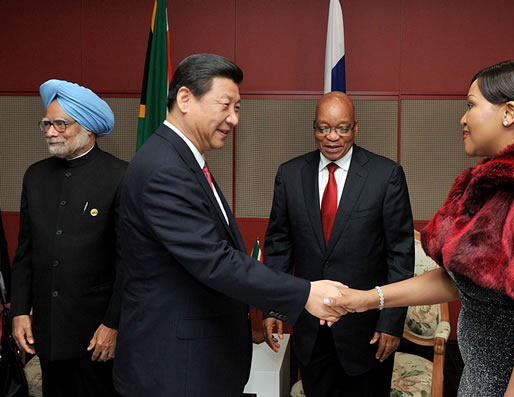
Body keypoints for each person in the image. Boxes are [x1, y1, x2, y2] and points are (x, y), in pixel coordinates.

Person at [327, 60, 514, 396]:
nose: (463, 118)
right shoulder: (494, 184)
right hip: (484, 379)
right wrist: (368, 299)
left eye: (471, 105)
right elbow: (458, 279)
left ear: (509, 112)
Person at [112, 54, 345, 397]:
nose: (234, 119)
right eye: (226, 105)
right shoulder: (164, 169)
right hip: (175, 369)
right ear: (185, 99)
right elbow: (215, 261)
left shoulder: (181, 160)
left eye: (238, 108)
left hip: (195, 363)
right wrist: (305, 293)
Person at [263, 92, 415, 396]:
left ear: (355, 128)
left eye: (342, 128)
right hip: (310, 327)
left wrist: (390, 322)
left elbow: (400, 255)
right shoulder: (290, 175)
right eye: (323, 128)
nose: (332, 137)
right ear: (314, 129)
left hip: (367, 331)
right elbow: (279, 246)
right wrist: (273, 307)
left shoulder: (386, 176)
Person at [11, 80, 127, 397]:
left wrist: (112, 325)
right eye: (47, 124)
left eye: (60, 123)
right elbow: (25, 252)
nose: (50, 132)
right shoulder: (34, 176)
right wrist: (19, 310)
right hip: (47, 333)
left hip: (97, 335)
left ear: (88, 127)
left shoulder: (121, 176)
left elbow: (128, 261)